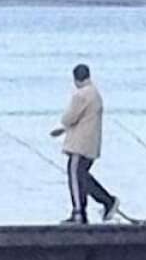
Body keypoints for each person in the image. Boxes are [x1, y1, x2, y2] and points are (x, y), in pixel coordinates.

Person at [50, 63, 119, 224]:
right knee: (83, 177)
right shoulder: (95, 93)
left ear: (75, 79)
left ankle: (79, 213)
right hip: (91, 144)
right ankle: (107, 202)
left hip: (79, 146)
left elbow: (69, 118)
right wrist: (64, 130)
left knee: (74, 176)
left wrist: (62, 127)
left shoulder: (81, 95)